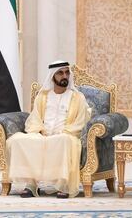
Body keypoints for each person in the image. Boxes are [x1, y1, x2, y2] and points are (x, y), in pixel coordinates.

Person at [6, 61, 91, 198]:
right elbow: (35, 118)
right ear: (52, 76)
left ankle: (64, 185)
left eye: (67, 72)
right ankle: (31, 184)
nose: (65, 76)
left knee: (62, 140)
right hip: (43, 135)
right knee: (16, 140)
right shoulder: (43, 96)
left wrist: (64, 132)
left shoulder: (77, 97)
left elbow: (81, 121)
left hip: (66, 135)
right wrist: (39, 131)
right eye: (60, 73)